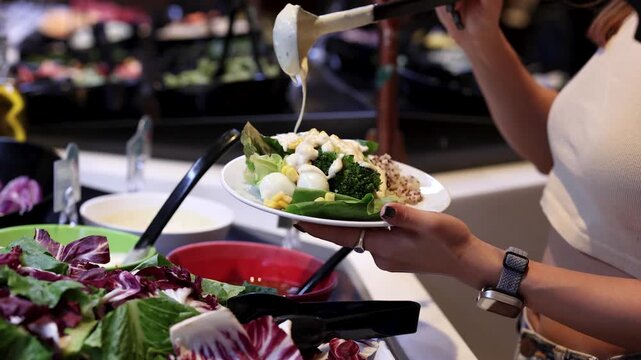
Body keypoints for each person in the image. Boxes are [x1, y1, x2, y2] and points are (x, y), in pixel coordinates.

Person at [294, 0, 641, 358]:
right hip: (537, 340)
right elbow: (564, 151)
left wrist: (476, 262)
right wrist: (478, 36)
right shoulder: (629, 18)